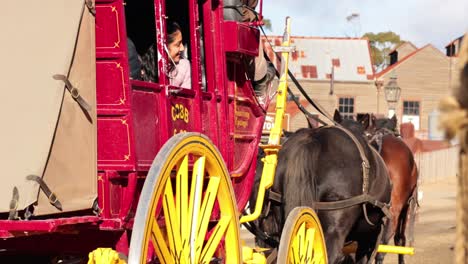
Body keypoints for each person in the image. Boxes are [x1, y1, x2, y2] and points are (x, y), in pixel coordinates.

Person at [166, 21, 191, 89]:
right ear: (164, 46)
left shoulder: (183, 65)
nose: (182, 48)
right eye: (178, 44)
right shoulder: (145, 66)